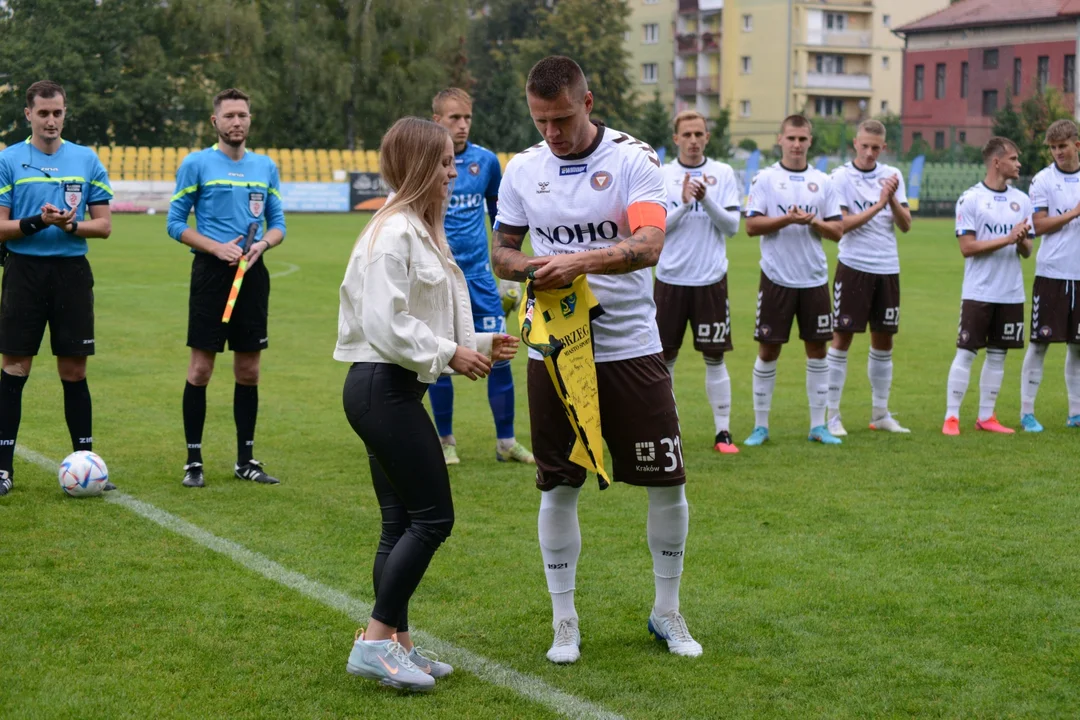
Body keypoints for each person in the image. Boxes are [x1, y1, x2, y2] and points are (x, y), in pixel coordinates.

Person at [492, 55, 702, 663]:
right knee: (557, 484)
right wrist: (534, 267)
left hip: (632, 345)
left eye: (560, 119)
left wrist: (578, 262)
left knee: (667, 482)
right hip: (556, 349)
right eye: (540, 122)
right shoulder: (523, 169)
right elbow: (503, 250)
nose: (551, 134)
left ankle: (667, 612)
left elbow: (650, 244)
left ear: (587, 103)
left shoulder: (634, 159)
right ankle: (565, 621)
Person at [336, 117, 518, 691]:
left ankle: (398, 646)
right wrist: (452, 355)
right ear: (419, 166)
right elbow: (386, 325)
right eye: (442, 163)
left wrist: (479, 346)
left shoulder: (415, 227)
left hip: (389, 386)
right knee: (434, 518)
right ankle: (372, 641)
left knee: (400, 523)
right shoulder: (392, 233)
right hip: (382, 389)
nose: (451, 173)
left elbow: (422, 316)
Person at [167, 88, 286, 488]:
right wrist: (215, 247)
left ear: (250, 120)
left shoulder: (266, 167)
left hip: (252, 274)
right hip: (211, 275)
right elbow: (174, 222)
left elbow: (278, 224)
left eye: (244, 115)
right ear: (214, 121)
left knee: (249, 370)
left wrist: (262, 244)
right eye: (230, 115)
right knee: (201, 369)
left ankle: (245, 460)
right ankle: (193, 461)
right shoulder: (197, 164)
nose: (238, 122)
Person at [0, 81, 114, 497]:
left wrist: (70, 225)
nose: (51, 120)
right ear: (28, 114)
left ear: (66, 114)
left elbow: (103, 226)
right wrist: (38, 222)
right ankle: (2, 468)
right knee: (15, 368)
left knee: (75, 371)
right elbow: (0, 227)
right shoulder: (8, 159)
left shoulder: (86, 159)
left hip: (71, 273)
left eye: (58, 112)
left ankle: (87, 464)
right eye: (43, 113)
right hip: (24, 272)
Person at [429, 88, 533, 466]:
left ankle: (506, 442)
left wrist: (506, 271)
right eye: (454, 118)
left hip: (479, 279)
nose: (462, 125)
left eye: (467, 118)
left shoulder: (486, 162)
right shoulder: (423, 162)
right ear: (436, 120)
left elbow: (501, 218)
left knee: (501, 353)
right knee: (440, 357)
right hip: (437, 279)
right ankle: (445, 441)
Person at [743, 115, 844, 446]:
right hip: (776, 278)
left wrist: (812, 220)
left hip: (813, 279)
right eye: (791, 138)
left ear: (810, 141)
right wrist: (788, 218)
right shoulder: (765, 180)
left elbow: (837, 230)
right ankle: (761, 426)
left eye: (803, 139)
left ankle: (818, 425)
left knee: (817, 350)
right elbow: (752, 226)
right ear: (780, 140)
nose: (797, 144)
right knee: (769, 350)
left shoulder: (823, 181)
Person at [655, 110, 742, 454]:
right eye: (686, 134)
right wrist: (685, 204)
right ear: (675, 139)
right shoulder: (661, 175)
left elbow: (733, 227)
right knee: (664, 359)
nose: (693, 140)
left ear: (707, 137)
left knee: (715, 358)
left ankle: (723, 432)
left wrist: (706, 199)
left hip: (710, 280)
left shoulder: (723, 173)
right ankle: (668, 429)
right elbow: (656, 226)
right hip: (670, 279)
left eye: (699, 134)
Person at [825, 119, 913, 436]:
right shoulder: (840, 177)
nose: (870, 153)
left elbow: (905, 225)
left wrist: (890, 198)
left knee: (884, 340)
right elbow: (842, 225)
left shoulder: (893, 176)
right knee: (842, 339)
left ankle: (880, 413)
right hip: (853, 266)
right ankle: (832, 415)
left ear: (884, 147)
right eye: (865, 146)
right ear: (855, 143)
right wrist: (878, 204)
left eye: (876, 148)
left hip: (887, 267)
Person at [943, 137, 1034, 435]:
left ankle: (986, 416)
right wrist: (1007, 238)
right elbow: (967, 248)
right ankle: (952, 416)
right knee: (967, 352)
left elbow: (1027, 251)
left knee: (998, 354)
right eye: (1013, 158)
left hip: (1010, 292)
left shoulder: (1022, 201)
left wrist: (1020, 241)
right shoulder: (970, 199)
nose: (1018, 164)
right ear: (997, 162)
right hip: (978, 291)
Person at [1020, 119, 1080, 431]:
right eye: (1053, 148)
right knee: (1040, 343)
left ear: (1077, 146)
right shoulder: (1042, 180)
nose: (1057, 152)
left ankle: (1076, 412)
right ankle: (1027, 412)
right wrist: (1073, 213)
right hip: (1052, 273)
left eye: (1062, 146)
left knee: (1078, 346)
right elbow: (1038, 226)